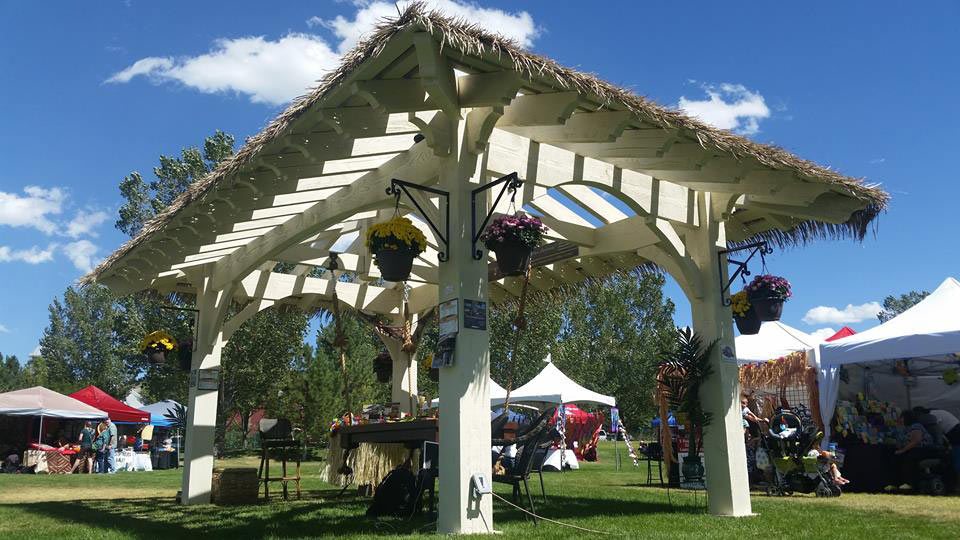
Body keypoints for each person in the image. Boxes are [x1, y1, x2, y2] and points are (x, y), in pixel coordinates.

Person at [892, 409, 938, 490]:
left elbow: (916, 441)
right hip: (915, 449)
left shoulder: (916, 426)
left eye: (901, 417)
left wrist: (903, 450)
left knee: (909, 457)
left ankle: (910, 483)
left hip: (925, 449)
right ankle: (900, 482)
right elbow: (901, 443)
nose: (900, 419)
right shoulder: (905, 429)